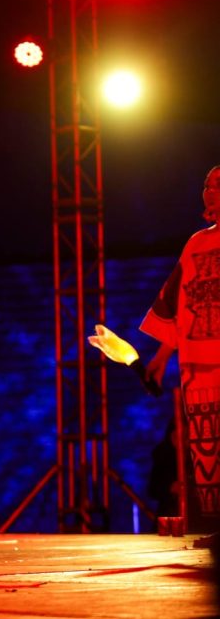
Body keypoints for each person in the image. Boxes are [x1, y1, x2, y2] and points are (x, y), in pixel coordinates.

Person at [140, 165, 220, 549]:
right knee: (209, 447)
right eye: (207, 185)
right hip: (200, 366)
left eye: (218, 185)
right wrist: (160, 357)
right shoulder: (195, 244)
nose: (210, 191)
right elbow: (178, 303)